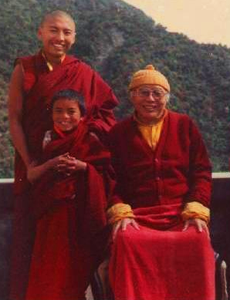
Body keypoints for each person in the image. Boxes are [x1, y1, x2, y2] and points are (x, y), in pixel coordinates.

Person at [8, 10, 118, 300]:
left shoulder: (82, 71)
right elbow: (15, 120)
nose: (60, 38)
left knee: (76, 251)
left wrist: (83, 137)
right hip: (37, 168)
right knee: (33, 246)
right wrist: (31, 164)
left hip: (76, 171)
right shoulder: (26, 69)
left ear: (74, 37)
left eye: (67, 32)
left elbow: (106, 114)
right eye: (53, 31)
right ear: (40, 33)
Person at [107, 65, 215, 300]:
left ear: (167, 97)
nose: (151, 99)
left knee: (197, 239)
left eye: (157, 93)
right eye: (143, 92)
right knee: (126, 239)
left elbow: (202, 172)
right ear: (132, 96)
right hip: (139, 216)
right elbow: (109, 179)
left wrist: (195, 209)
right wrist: (121, 213)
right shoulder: (118, 133)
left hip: (179, 213)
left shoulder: (184, 125)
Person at [23, 89, 113, 300]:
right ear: (51, 114)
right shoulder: (45, 139)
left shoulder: (90, 138)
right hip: (50, 213)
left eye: (71, 111)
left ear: (82, 115)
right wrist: (52, 163)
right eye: (58, 111)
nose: (64, 117)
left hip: (79, 214)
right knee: (51, 267)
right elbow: (32, 175)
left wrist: (83, 167)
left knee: (75, 268)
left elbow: (107, 174)